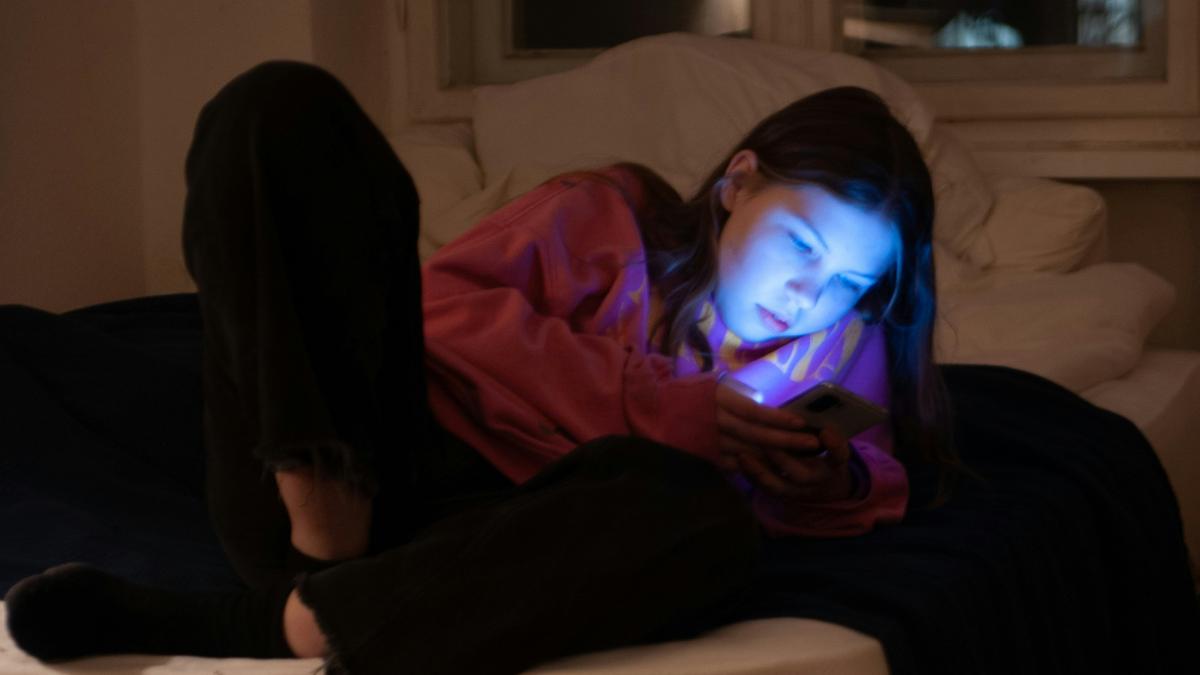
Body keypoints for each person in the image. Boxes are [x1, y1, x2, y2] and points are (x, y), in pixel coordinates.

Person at [5, 60, 959, 675]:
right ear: (737, 182)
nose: (810, 293)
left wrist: (820, 476)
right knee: (278, 107)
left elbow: (870, 485)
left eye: (850, 281)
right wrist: (666, 402)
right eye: (801, 244)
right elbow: (443, 314)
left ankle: (268, 621)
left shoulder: (839, 345)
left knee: (706, 519)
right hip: (376, 456)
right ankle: (323, 527)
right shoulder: (608, 215)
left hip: (495, 545)